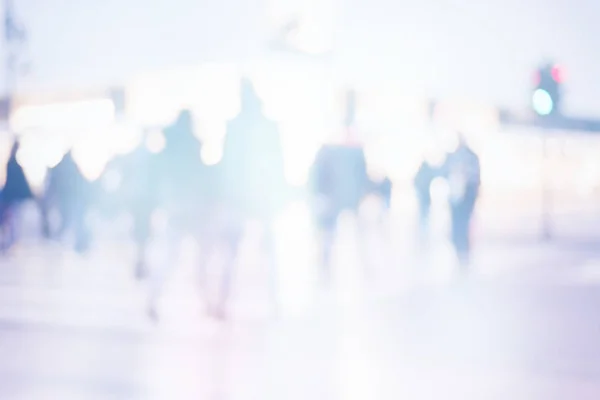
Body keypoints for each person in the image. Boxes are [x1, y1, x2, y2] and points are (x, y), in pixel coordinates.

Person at [214, 78, 288, 319]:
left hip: (239, 197)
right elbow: (277, 163)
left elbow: (227, 165)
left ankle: (224, 300)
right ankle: (275, 300)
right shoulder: (268, 125)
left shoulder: (234, 126)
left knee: (232, 253)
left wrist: (224, 195)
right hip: (261, 197)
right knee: (268, 251)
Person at [309, 129, 371, 282]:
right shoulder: (337, 151)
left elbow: (362, 174)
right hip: (336, 199)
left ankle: (362, 267)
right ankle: (326, 269)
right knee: (329, 236)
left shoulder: (352, 151)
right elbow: (319, 174)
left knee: (349, 234)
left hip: (343, 198)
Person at [444, 133, 481, 270]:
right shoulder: (456, 157)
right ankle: (461, 255)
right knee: (459, 229)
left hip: (464, 200)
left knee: (461, 229)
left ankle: (463, 256)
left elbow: (474, 181)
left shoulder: (467, 157)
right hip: (458, 200)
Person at [44, 150, 92, 252]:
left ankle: (62, 241)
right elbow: (82, 184)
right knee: (75, 221)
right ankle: (75, 243)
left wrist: (50, 198)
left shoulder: (60, 168)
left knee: (67, 220)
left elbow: (53, 185)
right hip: (73, 199)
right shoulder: (73, 167)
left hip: (66, 199)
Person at [0, 141, 33, 250]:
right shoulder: (13, 164)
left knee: (11, 220)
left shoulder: (11, 163)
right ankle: (9, 243)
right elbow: (16, 182)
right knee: (12, 220)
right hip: (12, 198)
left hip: (11, 197)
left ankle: (9, 242)